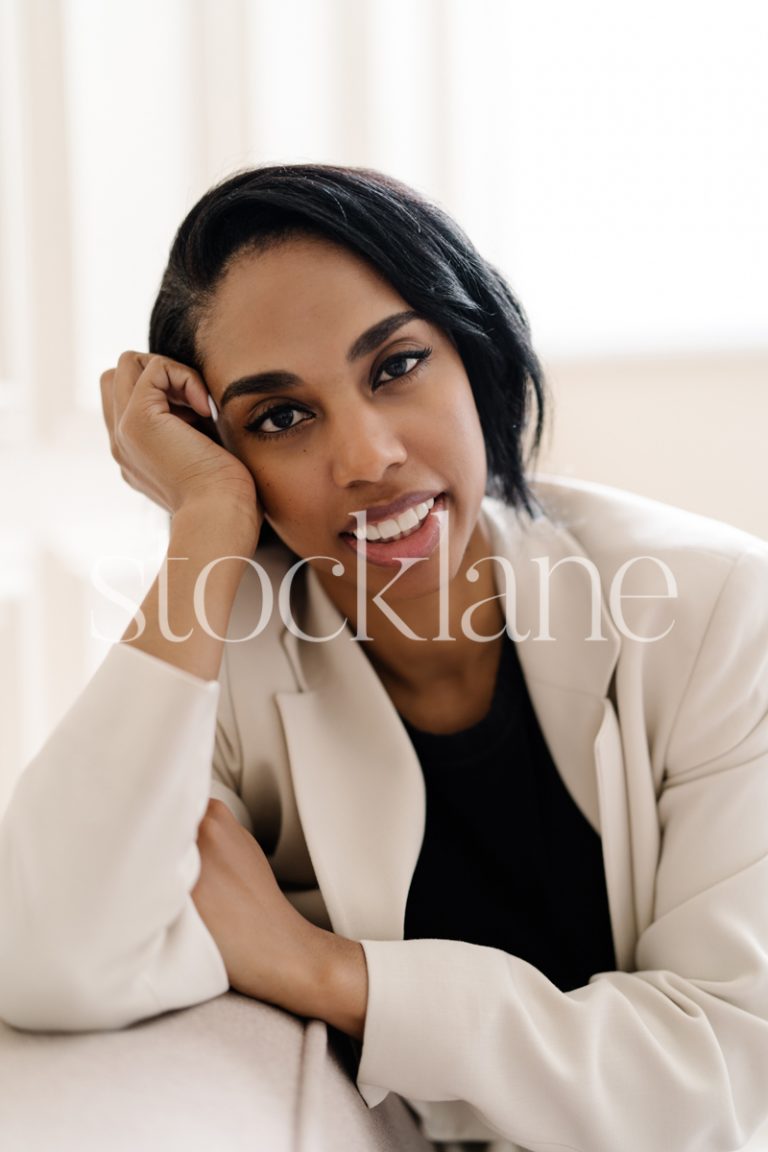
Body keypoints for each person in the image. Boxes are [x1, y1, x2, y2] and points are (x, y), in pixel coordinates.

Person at [1, 163, 767, 1152]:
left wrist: (323, 968)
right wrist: (205, 523)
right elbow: (52, 953)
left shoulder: (716, 613)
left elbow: (729, 1072)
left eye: (396, 366)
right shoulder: (227, 650)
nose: (365, 458)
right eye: (280, 417)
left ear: (475, 350)